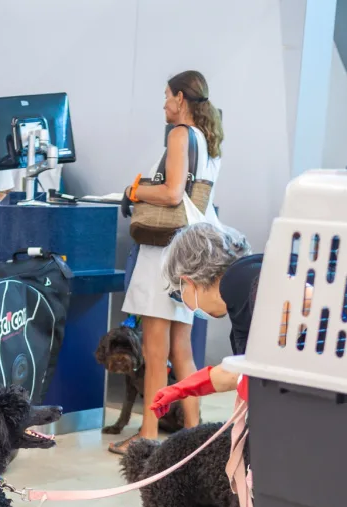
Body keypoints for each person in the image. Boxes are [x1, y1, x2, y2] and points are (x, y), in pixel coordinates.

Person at [111, 70, 223, 456]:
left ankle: (146, 436)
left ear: (180, 97)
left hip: (162, 252)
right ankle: (195, 436)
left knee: (156, 353)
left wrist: (134, 190)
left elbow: (173, 193)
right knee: (183, 350)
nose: (163, 104)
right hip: (188, 252)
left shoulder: (179, 135)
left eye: (165, 96)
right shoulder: (208, 140)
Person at [148, 223, 262, 417]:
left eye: (180, 293)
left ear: (188, 281)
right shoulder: (247, 281)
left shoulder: (245, 287)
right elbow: (242, 370)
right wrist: (181, 388)